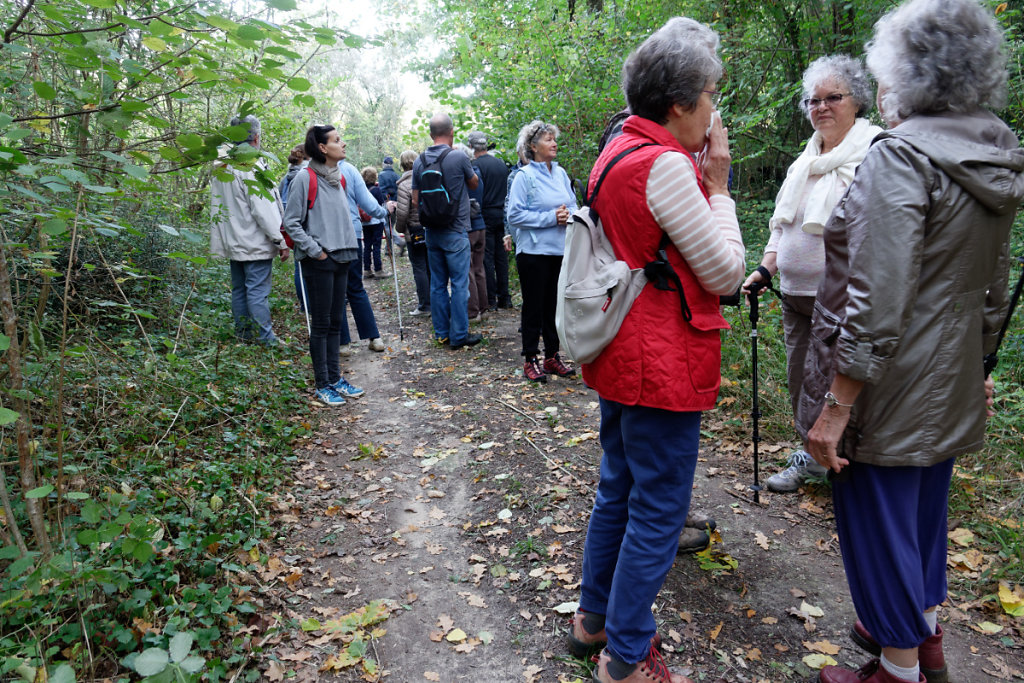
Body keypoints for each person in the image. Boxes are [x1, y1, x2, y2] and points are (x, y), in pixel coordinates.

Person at [796, 1, 1024, 682]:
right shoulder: (992, 152)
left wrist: (837, 404)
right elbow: (994, 284)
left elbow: (877, 295)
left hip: (888, 383)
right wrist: (978, 364)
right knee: (921, 513)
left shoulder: (902, 157)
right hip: (948, 372)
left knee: (879, 520)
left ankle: (897, 671)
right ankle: (923, 639)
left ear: (908, 72)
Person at [571, 18, 744, 683]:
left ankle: (593, 619)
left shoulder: (616, 148)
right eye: (710, 96)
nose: (714, 111)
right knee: (658, 507)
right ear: (679, 103)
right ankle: (628, 654)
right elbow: (725, 274)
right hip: (660, 358)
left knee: (619, 487)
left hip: (621, 348)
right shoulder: (667, 164)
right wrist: (721, 186)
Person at [741, 56, 882, 494]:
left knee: (840, 383)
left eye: (832, 98)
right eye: (813, 100)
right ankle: (813, 457)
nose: (821, 107)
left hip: (845, 299)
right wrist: (767, 266)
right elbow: (783, 225)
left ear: (855, 100)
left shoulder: (875, 152)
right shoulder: (805, 158)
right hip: (795, 293)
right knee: (802, 379)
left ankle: (852, 464)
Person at [281, 125, 366, 406]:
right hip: (320, 261)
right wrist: (316, 252)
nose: (343, 144)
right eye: (337, 140)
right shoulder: (305, 178)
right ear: (321, 147)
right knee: (320, 324)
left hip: (343, 256)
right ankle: (322, 384)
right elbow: (291, 222)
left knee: (335, 321)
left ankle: (335, 378)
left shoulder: (338, 177)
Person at [507, 120, 577, 382]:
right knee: (534, 306)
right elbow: (514, 215)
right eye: (548, 139)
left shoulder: (560, 174)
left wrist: (571, 213)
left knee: (554, 306)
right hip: (533, 253)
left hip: (560, 250)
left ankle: (551, 356)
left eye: (554, 139)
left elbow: (572, 204)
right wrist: (551, 217)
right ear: (533, 146)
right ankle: (530, 359)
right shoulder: (524, 177)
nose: (554, 143)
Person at [210, 114, 287, 346]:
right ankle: (265, 339)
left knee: (240, 290)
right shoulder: (250, 165)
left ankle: (243, 335)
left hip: (233, 238)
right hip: (253, 239)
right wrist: (280, 240)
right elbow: (263, 208)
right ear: (255, 136)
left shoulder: (223, 163)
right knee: (256, 290)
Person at [411, 113, 482, 350]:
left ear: (431, 134)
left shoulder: (419, 161)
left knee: (437, 284)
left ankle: (441, 333)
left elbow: (414, 200)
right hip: (456, 229)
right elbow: (474, 184)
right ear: (451, 132)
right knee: (460, 284)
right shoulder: (458, 157)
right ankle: (459, 335)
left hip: (431, 231)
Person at [338, 156, 396, 354]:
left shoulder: (309, 171)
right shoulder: (348, 169)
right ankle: (373, 337)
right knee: (355, 287)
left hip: (325, 240)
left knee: (336, 290)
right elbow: (369, 204)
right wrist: (384, 211)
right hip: (350, 235)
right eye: (337, 140)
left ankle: (343, 342)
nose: (343, 145)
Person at [466, 131, 511, 310]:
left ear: (471, 147)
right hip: (502, 213)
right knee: (502, 258)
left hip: (485, 215)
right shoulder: (500, 164)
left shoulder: (474, 167)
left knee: (487, 258)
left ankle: (490, 299)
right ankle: (505, 298)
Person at [454, 143, 489, 322]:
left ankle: (473, 312)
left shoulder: (463, 177)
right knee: (479, 268)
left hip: (468, 227)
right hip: (480, 225)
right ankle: (484, 308)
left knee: (467, 269)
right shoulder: (478, 175)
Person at [395, 149, 430, 316]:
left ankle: (425, 305)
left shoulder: (403, 185)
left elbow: (402, 213)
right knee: (432, 266)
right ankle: (438, 301)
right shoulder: (427, 179)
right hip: (430, 228)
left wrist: (399, 229)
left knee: (419, 267)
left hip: (414, 231)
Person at [279, 144, 309, 312]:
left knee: (298, 267)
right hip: (303, 224)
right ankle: (310, 303)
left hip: (289, 225)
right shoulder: (305, 175)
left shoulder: (286, 177)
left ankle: (303, 304)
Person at [360, 166, 387, 278]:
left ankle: (366, 269)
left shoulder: (362, 190)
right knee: (376, 245)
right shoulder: (376, 190)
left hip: (365, 222)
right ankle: (378, 269)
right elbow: (382, 203)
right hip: (376, 221)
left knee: (367, 245)